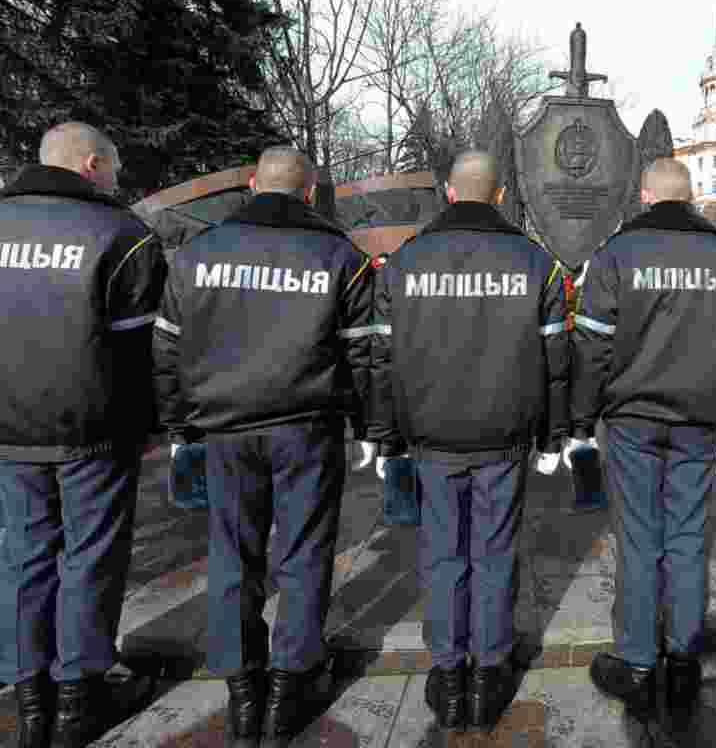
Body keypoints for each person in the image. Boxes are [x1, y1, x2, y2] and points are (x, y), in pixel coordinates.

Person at [152, 146, 374, 748]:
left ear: (252, 185)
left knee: (233, 557)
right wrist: (367, 426)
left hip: (225, 430)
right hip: (306, 428)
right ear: (309, 193)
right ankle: (290, 684)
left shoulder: (199, 254)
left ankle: (242, 690)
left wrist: (181, 428)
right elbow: (362, 356)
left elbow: (167, 352)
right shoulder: (340, 258)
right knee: (302, 556)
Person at [366, 150, 569, 734]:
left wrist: (385, 436)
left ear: (450, 195)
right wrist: (554, 437)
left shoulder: (403, 264)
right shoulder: (536, 264)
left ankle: (449, 672)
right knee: (494, 552)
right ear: (499, 195)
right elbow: (557, 362)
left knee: (442, 554)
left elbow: (381, 360)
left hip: (430, 437)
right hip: (503, 438)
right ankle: (488, 674)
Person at [570, 157, 716, 725]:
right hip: (701, 422)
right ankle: (682, 659)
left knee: (638, 539)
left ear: (647, 197)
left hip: (632, 419)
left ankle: (636, 661)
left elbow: (593, 348)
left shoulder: (617, 255)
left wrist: (581, 423)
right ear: (692, 197)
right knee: (686, 537)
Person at [0, 122, 164, 748]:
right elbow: (138, 352)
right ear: (92, 164)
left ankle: (29, 695)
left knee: (23, 553)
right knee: (89, 557)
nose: (117, 182)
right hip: (93, 430)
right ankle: (80, 693)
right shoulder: (121, 235)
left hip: (10, 428)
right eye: (114, 170)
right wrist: (147, 428)